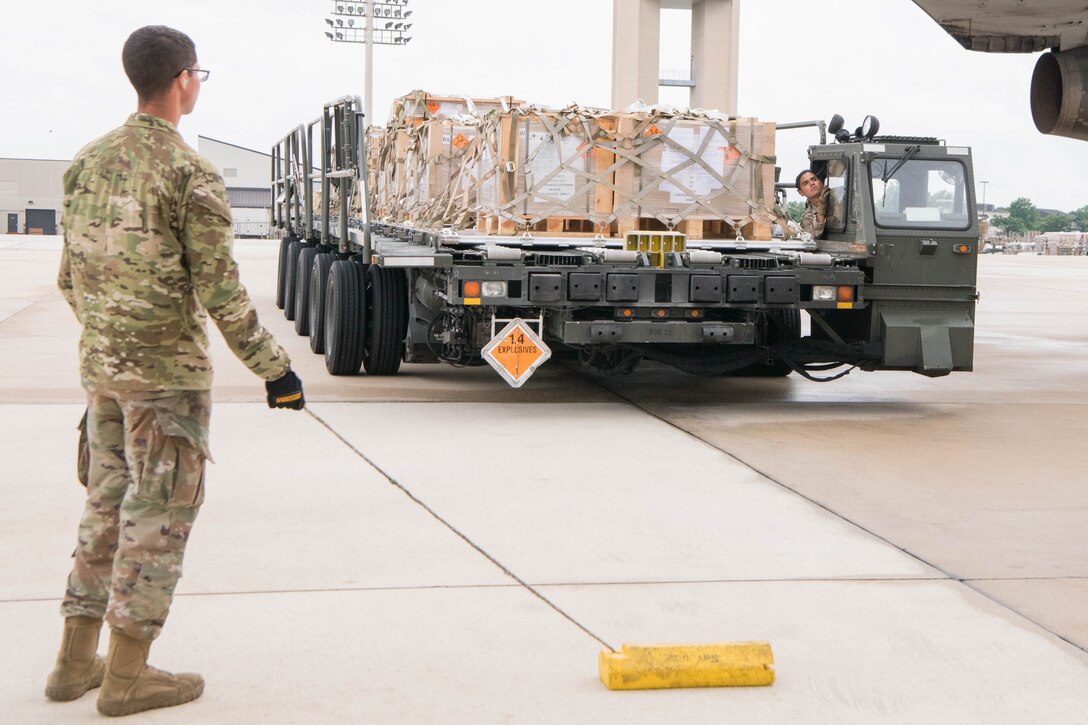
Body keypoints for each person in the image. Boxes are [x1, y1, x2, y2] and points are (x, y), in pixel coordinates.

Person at [48, 25, 305, 717]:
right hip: (166, 383)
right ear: (184, 80)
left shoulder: (86, 162)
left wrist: (112, 338)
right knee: (156, 519)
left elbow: (70, 279)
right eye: (199, 76)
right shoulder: (190, 172)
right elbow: (222, 293)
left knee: (103, 506)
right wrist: (276, 371)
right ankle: (127, 676)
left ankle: (73, 663)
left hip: (103, 372)